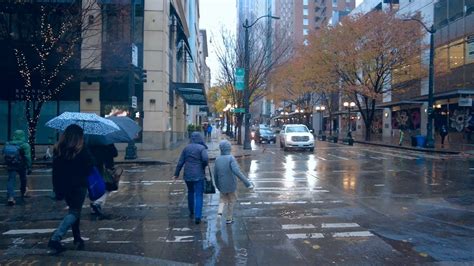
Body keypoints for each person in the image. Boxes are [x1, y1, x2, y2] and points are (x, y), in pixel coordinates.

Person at [49, 124, 93, 254]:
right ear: (79, 136)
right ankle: (55, 238)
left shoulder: (59, 149)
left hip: (64, 186)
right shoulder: (81, 149)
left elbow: (55, 172)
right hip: (79, 186)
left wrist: (57, 189)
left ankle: (77, 238)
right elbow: (90, 166)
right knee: (74, 212)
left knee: (74, 211)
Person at [214, 140, 254, 224]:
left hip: (222, 184)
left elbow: (215, 174)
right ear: (229, 148)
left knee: (222, 199)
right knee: (231, 201)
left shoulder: (217, 159)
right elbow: (237, 172)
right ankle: (229, 218)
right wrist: (247, 183)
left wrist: (217, 185)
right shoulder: (230, 158)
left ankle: (219, 213)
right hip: (231, 184)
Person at [173, 132, 209, 224]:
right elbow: (205, 159)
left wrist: (176, 173)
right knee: (198, 194)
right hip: (199, 174)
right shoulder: (202, 148)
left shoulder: (186, 148)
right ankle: (198, 216)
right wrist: (203, 165)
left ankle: (191, 210)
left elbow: (180, 162)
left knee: (190, 192)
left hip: (187, 173)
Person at [88, 143, 119, 218]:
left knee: (95, 187)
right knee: (109, 186)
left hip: (94, 168)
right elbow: (115, 153)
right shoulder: (107, 142)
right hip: (106, 168)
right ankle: (97, 203)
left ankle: (96, 205)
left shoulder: (90, 143)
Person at [3, 130, 32, 205]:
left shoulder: (8, 143)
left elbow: (3, 152)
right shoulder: (25, 145)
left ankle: (11, 197)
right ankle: (23, 192)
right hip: (21, 165)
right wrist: (29, 167)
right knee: (23, 179)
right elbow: (28, 157)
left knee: (11, 180)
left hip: (11, 164)